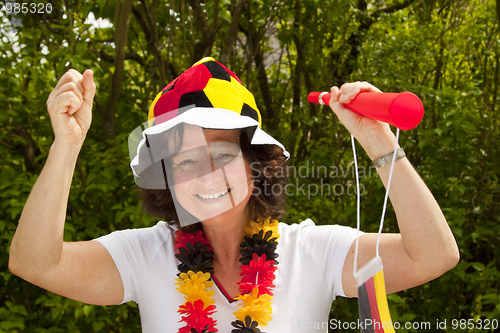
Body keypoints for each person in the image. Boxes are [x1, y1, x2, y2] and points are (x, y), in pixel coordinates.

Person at [9, 57, 459, 332]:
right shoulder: (144, 254)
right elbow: (34, 262)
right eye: (184, 162)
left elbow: (433, 255)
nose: (205, 176)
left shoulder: (313, 251)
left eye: (222, 154)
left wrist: (378, 141)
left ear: (254, 163)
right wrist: (66, 147)